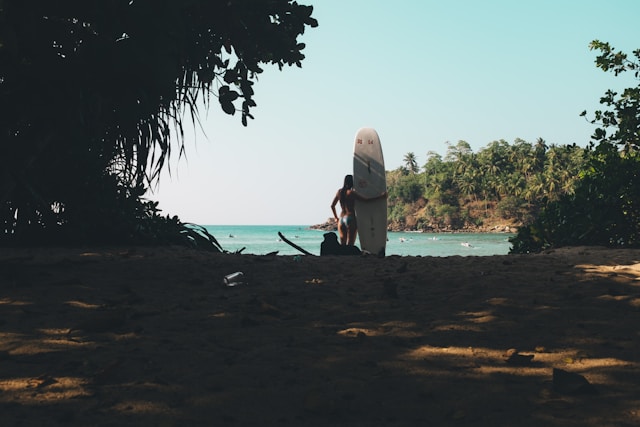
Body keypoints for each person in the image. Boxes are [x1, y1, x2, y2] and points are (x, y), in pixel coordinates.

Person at [330, 174, 387, 246]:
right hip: (350, 218)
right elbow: (366, 200)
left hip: (341, 219)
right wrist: (381, 197)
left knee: (342, 245)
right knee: (350, 245)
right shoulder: (351, 193)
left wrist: (336, 217)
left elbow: (332, 206)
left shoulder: (339, 192)